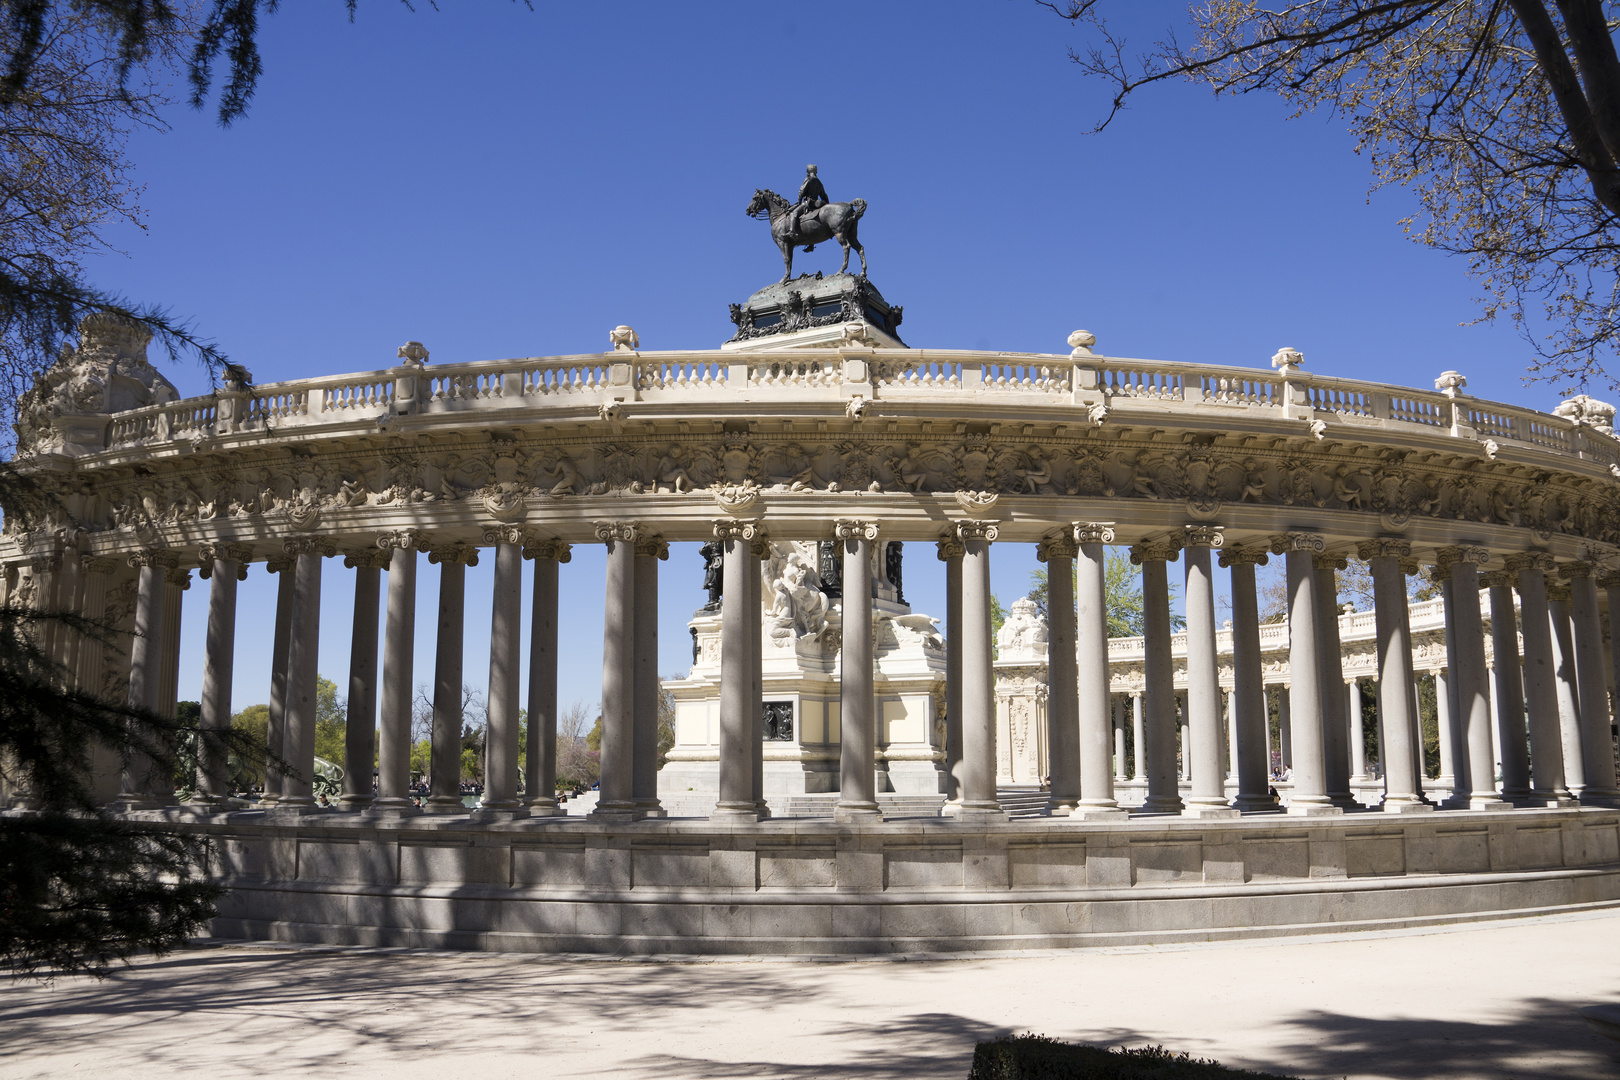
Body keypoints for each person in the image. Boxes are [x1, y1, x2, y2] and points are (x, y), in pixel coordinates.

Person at [788, 164, 828, 247]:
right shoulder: (819, 182)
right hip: (816, 204)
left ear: (808, 171)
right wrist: (827, 204)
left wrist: (799, 202)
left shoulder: (808, 179)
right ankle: (811, 244)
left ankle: (792, 232)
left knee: (794, 213)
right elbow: (824, 195)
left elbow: (801, 191)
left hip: (808, 203)